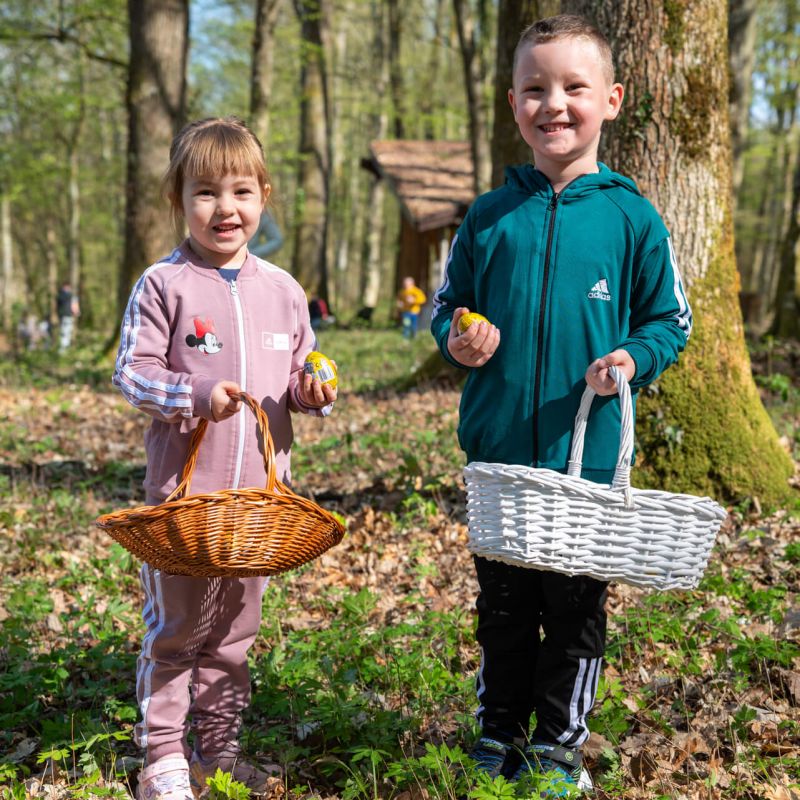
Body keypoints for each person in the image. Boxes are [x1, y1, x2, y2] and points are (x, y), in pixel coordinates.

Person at [430, 15, 691, 796]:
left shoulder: (631, 218)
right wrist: (459, 336)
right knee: (502, 610)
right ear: (514, 105)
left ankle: (557, 748)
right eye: (536, 89)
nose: (555, 104)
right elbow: (449, 307)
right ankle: (497, 734)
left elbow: (669, 321)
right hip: (502, 456)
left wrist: (631, 360)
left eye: (575, 87)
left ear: (610, 100)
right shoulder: (487, 216)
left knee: (574, 614)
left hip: (587, 459)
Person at [112, 117, 337, 800]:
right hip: (183, 505)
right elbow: (133, 374)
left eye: (241, 191)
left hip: (261, 509)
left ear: (263, 197)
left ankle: (219, 751)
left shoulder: (284, 291)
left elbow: (300, 380)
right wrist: (195, 393)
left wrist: (312, 392)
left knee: (235, 636)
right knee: (177, 631)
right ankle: (162, 759)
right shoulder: (164, 284)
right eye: (205, 192)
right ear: (179, 199)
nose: (225, 208)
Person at [57, 281, 79, 352]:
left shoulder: (60, 295)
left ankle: (64, 349)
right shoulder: (69, 296)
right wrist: (76, 311)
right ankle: (64, 349)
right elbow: (74, 306)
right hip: (67, 315)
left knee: (65, 332)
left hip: (64, 315)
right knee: (65, 332)